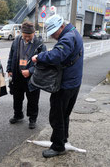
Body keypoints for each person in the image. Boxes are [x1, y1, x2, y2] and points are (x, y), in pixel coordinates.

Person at [32, 14, 84, 157]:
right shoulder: (74, 32)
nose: (54, 36)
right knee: (64, 114)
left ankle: (58, 146)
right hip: (74, 82)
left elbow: (57, 55)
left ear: (62, 26)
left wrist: (39, 57)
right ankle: (63, 138)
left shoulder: (68, 37)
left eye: (54, 32)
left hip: (65, 85)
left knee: (56, 116)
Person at [6, 21, 46, 129]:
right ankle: (18, 115)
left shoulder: (40, 44)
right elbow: (11, 55)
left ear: (34, 33)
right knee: (17, 98)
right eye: (25, 36)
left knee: (33, 99)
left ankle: (32, 119)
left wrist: (31, 70)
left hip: (32, 77)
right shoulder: (17, 41)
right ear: (21, 33)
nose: (27, 38)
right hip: (18, 75)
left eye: (29, 36)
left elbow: (43, 64)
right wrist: (9, 69)